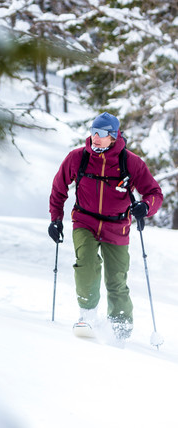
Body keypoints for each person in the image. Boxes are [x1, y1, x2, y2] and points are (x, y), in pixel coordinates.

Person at [48, 112, 163, 339]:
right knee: (87, 265)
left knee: (116, 281)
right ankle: (87, 316)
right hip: (85, 220)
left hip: (117, 226)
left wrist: (145, 207)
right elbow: (58, 189)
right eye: (93, 132)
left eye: (101, 134)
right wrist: (55, 219)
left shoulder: (130, 162)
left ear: (113, 136)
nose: (95, 138)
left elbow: (154, 193)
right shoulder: (77, 158)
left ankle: (120, 327)